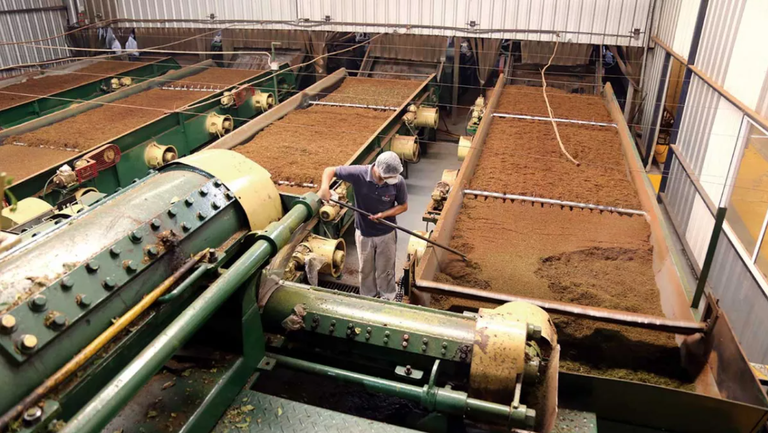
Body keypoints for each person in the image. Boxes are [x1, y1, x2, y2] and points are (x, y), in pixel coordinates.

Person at [318, 152, 408, 300]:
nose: (391, 180)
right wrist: (324, 188)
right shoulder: (359, 174)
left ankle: (388, 297)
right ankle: (368, 297)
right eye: (387, 177)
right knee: (365, 269)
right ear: (378, 169)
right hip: (364, 233)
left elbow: (403, 206)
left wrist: (383, 215)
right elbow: (330, 170)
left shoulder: (398, 182)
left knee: (386, 269)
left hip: (386, 233)